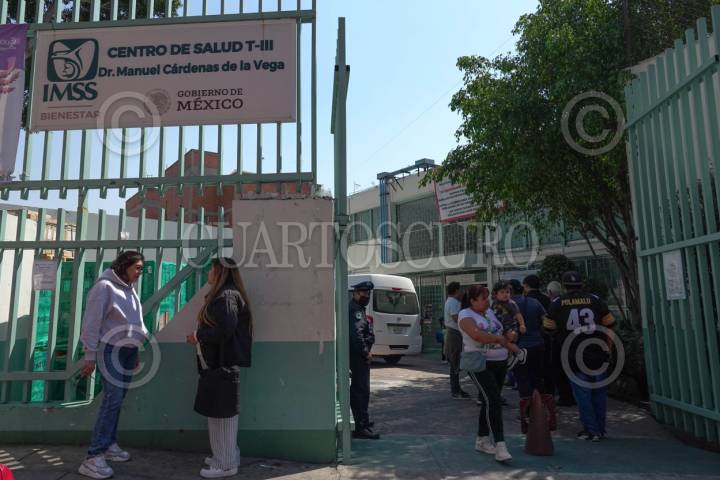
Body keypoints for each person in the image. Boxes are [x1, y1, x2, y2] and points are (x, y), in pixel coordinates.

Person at [78, 251, 148, 480]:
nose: (140, 272)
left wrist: (135, 348)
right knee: (112, 400)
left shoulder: (129, 288)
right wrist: (90, 355)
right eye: (137, 267)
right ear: (124, 266)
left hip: (127, 351)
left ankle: (108, 445)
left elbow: (133, 320)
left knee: (117, 400)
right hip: (111, 350)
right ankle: (93, 457)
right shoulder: (104, 288)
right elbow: (91, 322)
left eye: (141, 268)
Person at [186, 257, 253, 478]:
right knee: (217, 413)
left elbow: (226, 330)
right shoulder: (226, 295)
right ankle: (224, 456)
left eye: (210, 269)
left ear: (219, 272)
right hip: (219, 365)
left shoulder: (226, 296)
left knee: (223, 416)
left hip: (222, 365)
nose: (208, 273)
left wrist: (198, 336)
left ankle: (225, 464)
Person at [544, 271, 617, 442]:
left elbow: (548, 328)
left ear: (564, 286)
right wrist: (608, 348)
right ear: (582, 284)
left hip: (572, 356)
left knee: (583, 395)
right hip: (597, 353)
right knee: (599, 394)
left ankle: (591, 430)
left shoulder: (557, 303)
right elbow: (610, 325)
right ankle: (600, 429)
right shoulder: (595, 300)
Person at [458, 285, 513, 462]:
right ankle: (500, 445)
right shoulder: (465, 315)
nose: (487, 301)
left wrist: (511, 342)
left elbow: (501, 332)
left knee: (489, 401)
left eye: (487, 297)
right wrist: (499, 339)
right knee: (494, 400)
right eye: (483, 298)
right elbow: (477, 335)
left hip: (500, 362)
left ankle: (482, 439)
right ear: (472, 301)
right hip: (480, 363)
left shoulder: (490, 313)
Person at [511, 279, 555, 433]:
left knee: (523, 380)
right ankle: (545, 411)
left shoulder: (506, 306)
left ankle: (527, 415)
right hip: (537, 345)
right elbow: (546, 322)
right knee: (537, 378)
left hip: (519, 348)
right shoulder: (534, 302)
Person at [349, 281, 380, 440]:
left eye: (368, 294)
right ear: (355, 293)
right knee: (361, 391)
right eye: (364, 293)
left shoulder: (358, 308)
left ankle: (363, 421)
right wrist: (365, 352)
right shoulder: (356, 310)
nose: (366, 296)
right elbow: (357, 334)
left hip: (358, 356)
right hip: (358, 357)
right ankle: (361, 426)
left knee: (362, 390)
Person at [547, 280, 575, 406]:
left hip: (559, 341)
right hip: (576, 341)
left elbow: (548, 326)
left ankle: (565, 397)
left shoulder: (555, 304)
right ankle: (573, 395)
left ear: (550, 292)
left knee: (559, 370)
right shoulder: (568, 302)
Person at [491, 281, 527, 368]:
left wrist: (522, 325)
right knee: (502, 343)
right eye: (502, 292)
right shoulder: (494, 304)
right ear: (496, 294)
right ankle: (511, 357)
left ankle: (519, 352)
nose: (505, 294)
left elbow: (518, 315)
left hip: (511, 328)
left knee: (506, 342)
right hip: (501, 329)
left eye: (507, 292)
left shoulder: (511, 303)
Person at [444, 282, 470, 399]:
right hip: (454, 334)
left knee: (456, 361)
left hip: (455, 333)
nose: (462, 292)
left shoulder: (452, 301)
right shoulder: (453, 302)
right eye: (461, 290)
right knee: (455, 362)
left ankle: (457, 388)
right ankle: (455, 390)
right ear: (456, 291)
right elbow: (456, 318)